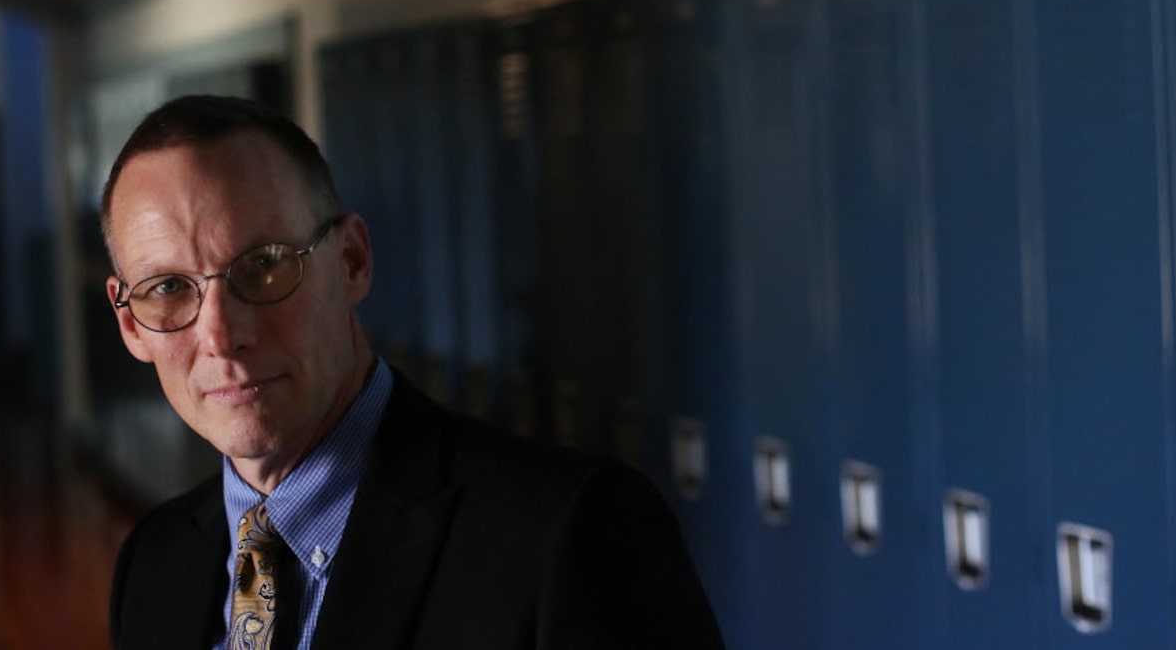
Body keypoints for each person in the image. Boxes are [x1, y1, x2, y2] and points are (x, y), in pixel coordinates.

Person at [103, 94, 724, 650]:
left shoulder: (568, 536)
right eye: (167, 288)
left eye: (264, 265)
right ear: (131, 323)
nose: (220, 336)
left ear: (352, 261)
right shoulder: (154, 564)